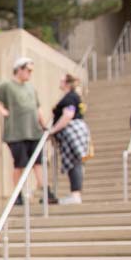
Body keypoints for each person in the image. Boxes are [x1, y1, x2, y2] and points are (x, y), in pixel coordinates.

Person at [0, 57, 56, 204]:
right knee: (20, 164)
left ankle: (46, 192)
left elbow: (37, 108)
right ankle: (18, 195)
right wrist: (1, 110)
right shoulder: (7, 86)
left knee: (38, 162)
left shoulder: (31, 88)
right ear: (19, 70)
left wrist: (44, 125)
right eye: (28, 70)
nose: (30, 73)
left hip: (34, 131)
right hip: (16, 133)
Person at [48, 73, 91, 205]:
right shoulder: (71, 97)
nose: (59, 83)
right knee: (75, 161)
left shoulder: (70, 97)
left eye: (62, 80)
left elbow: (68, 115)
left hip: (72, 130)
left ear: (66, 83)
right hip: (72, 130)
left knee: (75, 161)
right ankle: (75, 194)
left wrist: (53, 130)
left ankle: (76, 194)